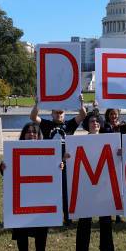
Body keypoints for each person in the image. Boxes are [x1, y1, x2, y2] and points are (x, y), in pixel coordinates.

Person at [0, 122, 59, 251]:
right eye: (29, 131)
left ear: (39, 136)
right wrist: (3, 168)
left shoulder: (47, 151)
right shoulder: (14, 150)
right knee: (21, 227)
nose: (31, 134)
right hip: (22, 195)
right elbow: (7, 174)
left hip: (40, 195)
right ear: (23, 134)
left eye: (35, 132)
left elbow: (52, 171)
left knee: (41, 227)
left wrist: (59, 166)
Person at [30, 94, 86, 223]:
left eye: (61, 113)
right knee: (51, 190)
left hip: (67, 162)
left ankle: (67, 218)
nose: (59, 115)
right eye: (56, 113)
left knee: (66, 191)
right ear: (52, 114)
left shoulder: (70, 124)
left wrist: (80, 103)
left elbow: (83, 115)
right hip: (50, 162)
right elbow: (33, 117)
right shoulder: (46, 124)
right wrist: (37, 104)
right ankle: (50, 216)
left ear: (64, 114)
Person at [73, 111, 116, 251]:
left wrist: (119, 153)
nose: (95, 123)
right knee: (84, 222)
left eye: (97, 121)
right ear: (87, 125)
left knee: (105, 221)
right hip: (86, 186)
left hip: (104, 186)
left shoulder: (110, 141)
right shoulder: (79, 142)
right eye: (92, 121)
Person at [97, 100, 126, 223]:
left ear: (118, 115)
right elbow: (93, 123)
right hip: (105, 162)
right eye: (111, 114)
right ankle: (108, 212)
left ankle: (118, 215)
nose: (113, 116)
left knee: (119, 188)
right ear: (107, 115)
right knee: (107, 188)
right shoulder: (103, 127)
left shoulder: (121, 127)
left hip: (119, 162)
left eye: (115, 114)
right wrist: (95, 108)